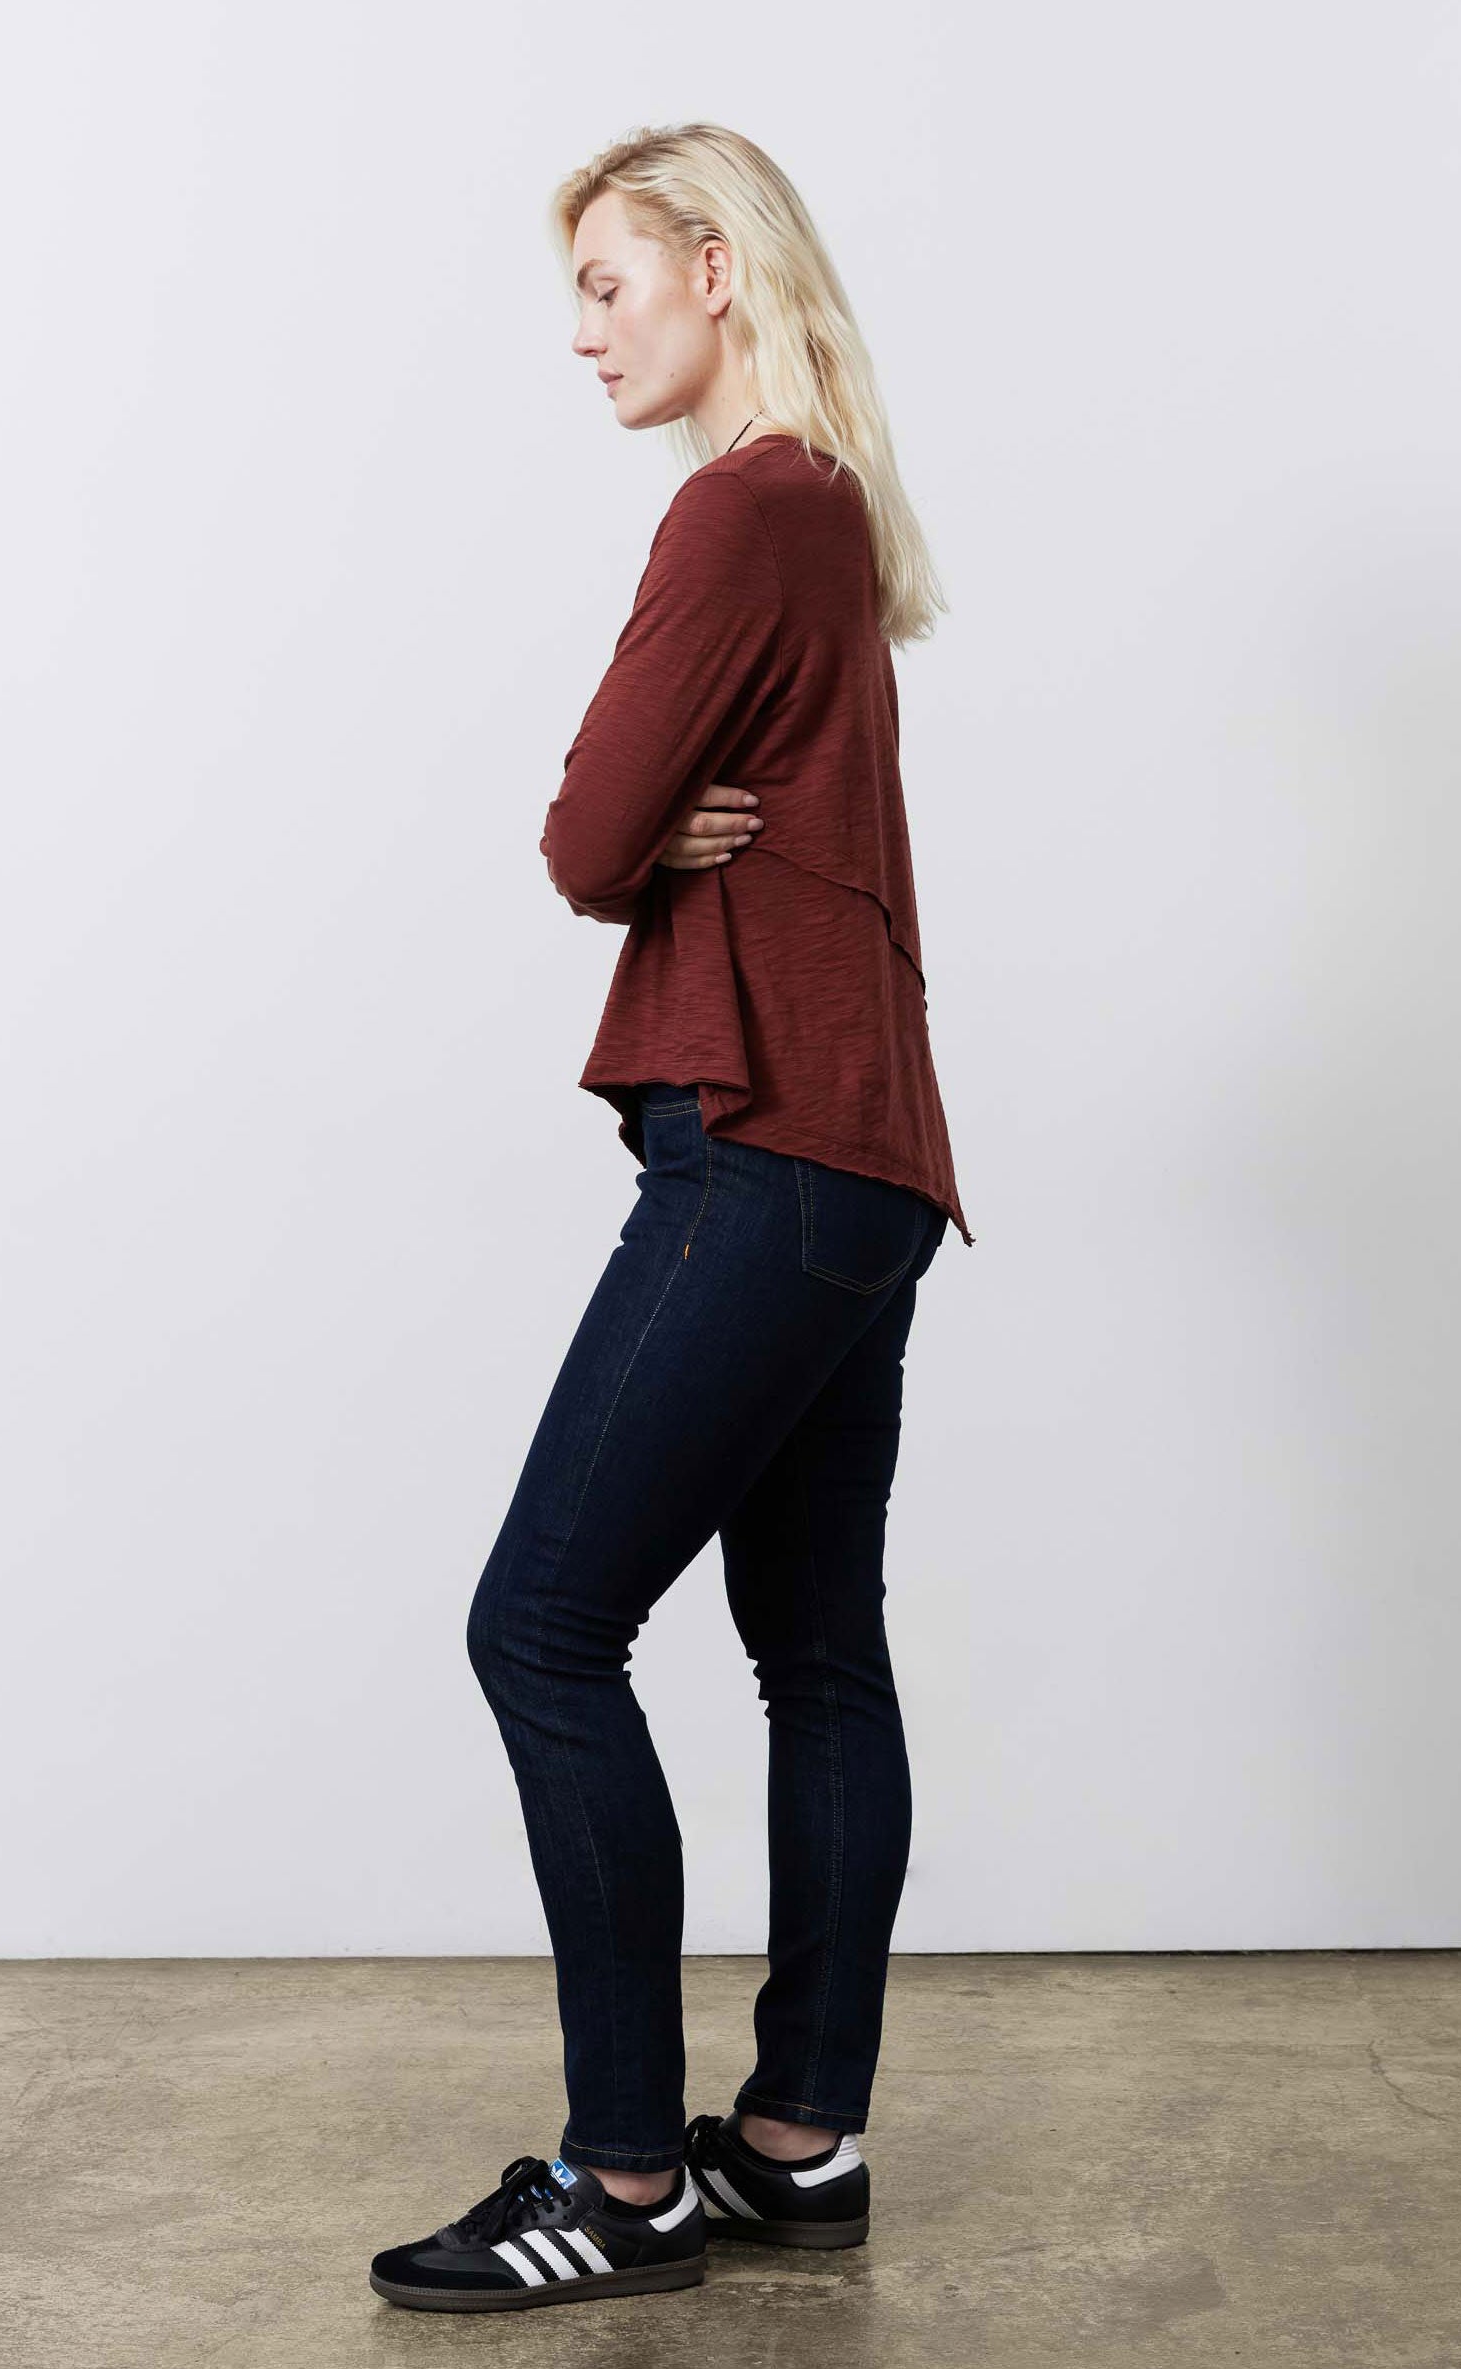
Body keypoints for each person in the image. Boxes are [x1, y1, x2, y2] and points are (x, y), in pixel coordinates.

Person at [370, 120, 974, 2317]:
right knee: (818, 1652)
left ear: (718, 270)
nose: (584, 331)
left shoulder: (742, 504)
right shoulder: (832, 509)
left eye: (608, 284)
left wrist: (642, 839)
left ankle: (625, 2178)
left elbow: (584, 828)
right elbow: (641, 826)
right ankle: (801, 2143)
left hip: (771, 1143)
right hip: (867, 1159)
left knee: (539, 1626)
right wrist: (659, 836)